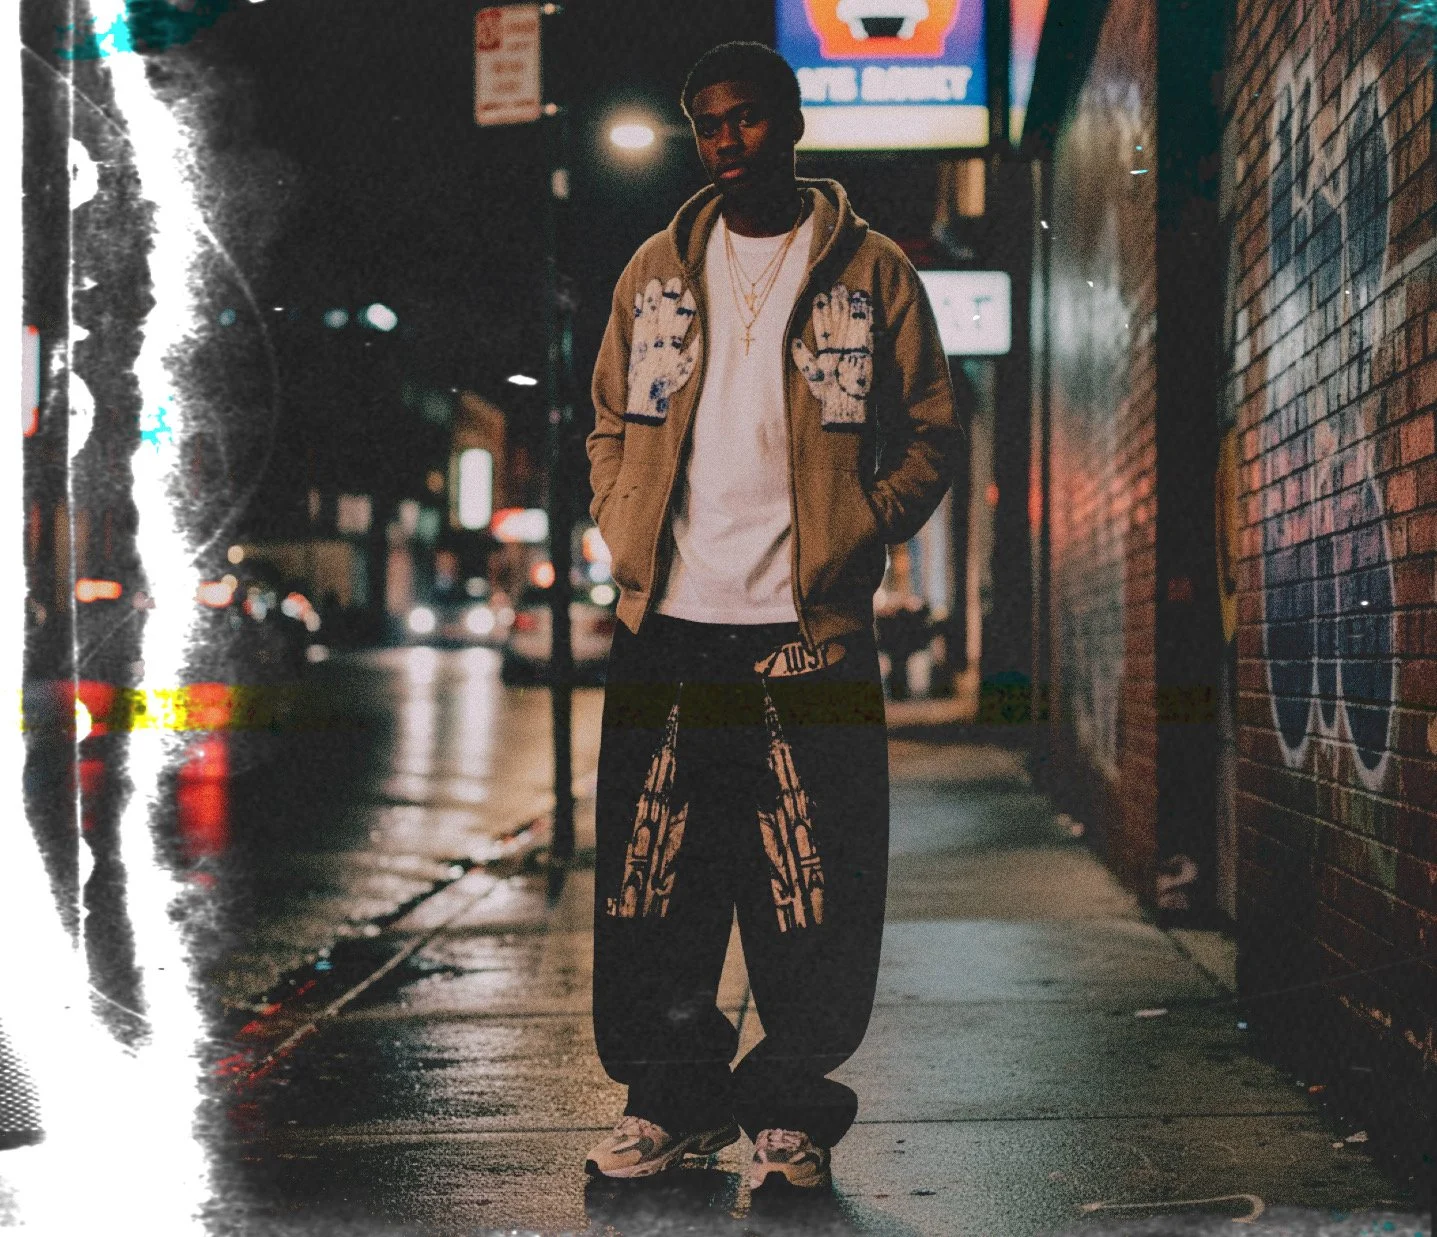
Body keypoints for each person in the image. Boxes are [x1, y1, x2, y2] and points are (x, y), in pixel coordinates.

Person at [583, 40, 957, 1193]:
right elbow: (607, 418)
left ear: (791, 122)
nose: (727, 140)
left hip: (814, 635)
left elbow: (935, 427)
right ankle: (671, 1105)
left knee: (814, 884)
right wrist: (620, 514)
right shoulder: (655, 267)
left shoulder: (871, 267)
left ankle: (788, 1118)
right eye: (708, 123)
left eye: (747, 118)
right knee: (659, 883)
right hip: (673, 629)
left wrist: (860, 530)